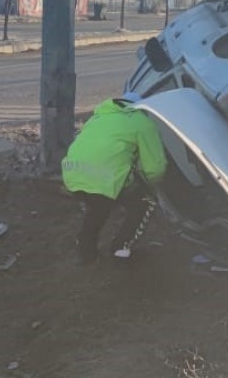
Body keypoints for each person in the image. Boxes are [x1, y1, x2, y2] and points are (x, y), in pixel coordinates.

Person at [61, 92, 168, 264]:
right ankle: (121, 248)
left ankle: (86, 250)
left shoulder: (97, 118)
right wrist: (151, 184)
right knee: (144, 202)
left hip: (72, 174)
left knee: (98, 206)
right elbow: (155, 166)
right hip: (103, 177)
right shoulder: (141, 122)